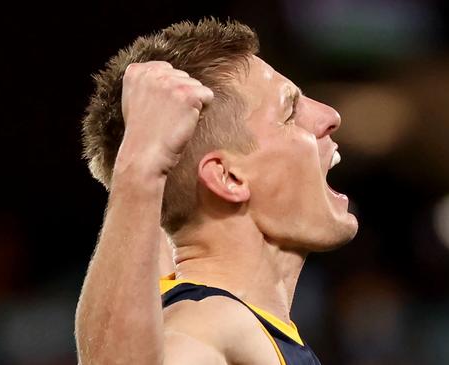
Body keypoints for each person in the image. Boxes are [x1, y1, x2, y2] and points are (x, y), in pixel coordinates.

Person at [75, 18, 358, 365]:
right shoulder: (207, 325)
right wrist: (141, 165)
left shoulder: (222, 318)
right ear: (228, 178)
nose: (329, 115)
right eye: (289, 113)